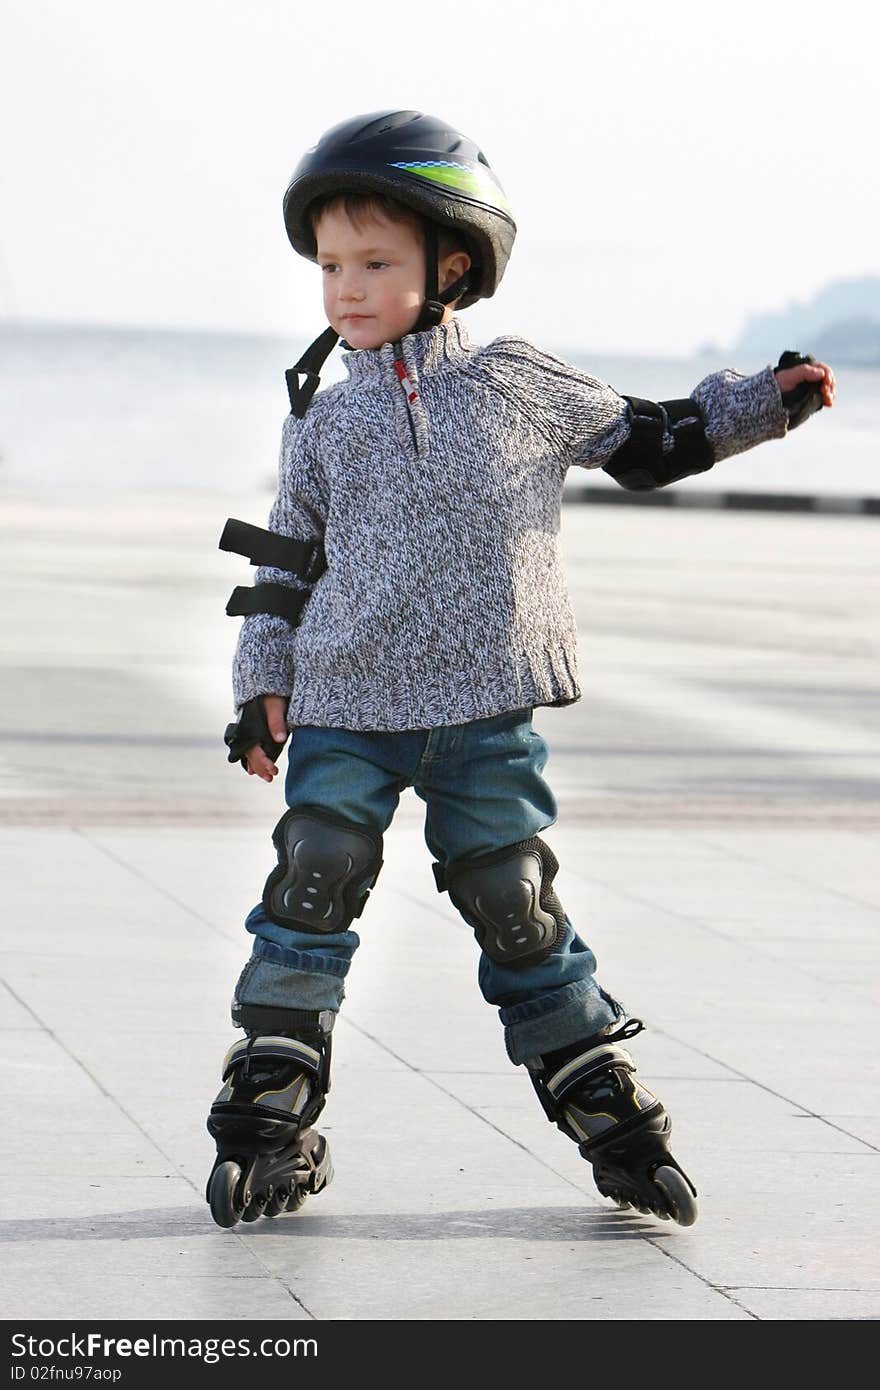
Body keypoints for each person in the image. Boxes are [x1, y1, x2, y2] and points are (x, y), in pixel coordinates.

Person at [205, 110, 835, 1230]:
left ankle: (594, 1085)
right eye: (330, 267)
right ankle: (273, 1087)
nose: (344, 290)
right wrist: (262, 685)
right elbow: (282, 568)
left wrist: (762, 403)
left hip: (484, 712)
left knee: (513, 900)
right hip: (347, 704)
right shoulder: (323, 421)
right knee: (315, 873)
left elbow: (650, 439)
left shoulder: (511, 380)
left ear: (453, 265)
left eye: (374, 264)